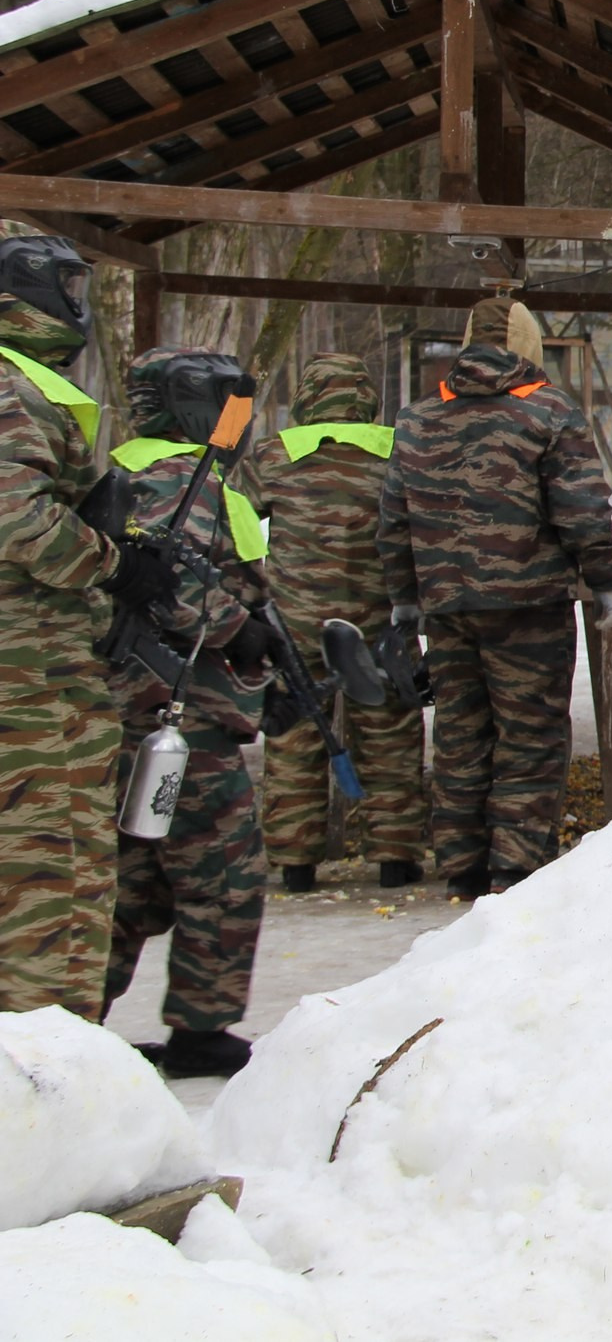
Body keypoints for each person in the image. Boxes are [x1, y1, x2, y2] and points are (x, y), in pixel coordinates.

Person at [379, 296, 612, 898]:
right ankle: (516, 866)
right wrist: (604, 578)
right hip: (529, 605)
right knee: (530, 734)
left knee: (460, 733)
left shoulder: (416, 418)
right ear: (530, 345)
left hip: (446, 606)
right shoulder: (550, 411)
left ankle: (462, 864)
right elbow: (581, 509)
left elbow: (393, 519)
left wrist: (405, 597)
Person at [100, 348, 273, 1077]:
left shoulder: (131, 465)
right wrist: (243, 631)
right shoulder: (181, 476)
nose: (241, 421)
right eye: (231, 405)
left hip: (133, 712)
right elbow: (172, 584)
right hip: (180, 714)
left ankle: (65, 1027)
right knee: (224, 871)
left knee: (132, 882)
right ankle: (202, 1031)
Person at [0, 224, 135, 1021]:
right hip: (31, 683)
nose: (75, 306)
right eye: (66, 289)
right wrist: (114, 564)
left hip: (36, 673)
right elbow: (19, 519)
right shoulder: (13, 391)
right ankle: (44, 1066)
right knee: (52, 882)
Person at [237, 354, 427, 893]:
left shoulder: (273, 454)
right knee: (390, 735)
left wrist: (254, 594)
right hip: (381, 621)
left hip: (294, 623)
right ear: (367, 398)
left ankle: (295, 863)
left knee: (295, 736)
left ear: (306, 398)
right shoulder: (400, 452)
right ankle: (394, 859)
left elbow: (234, 523)